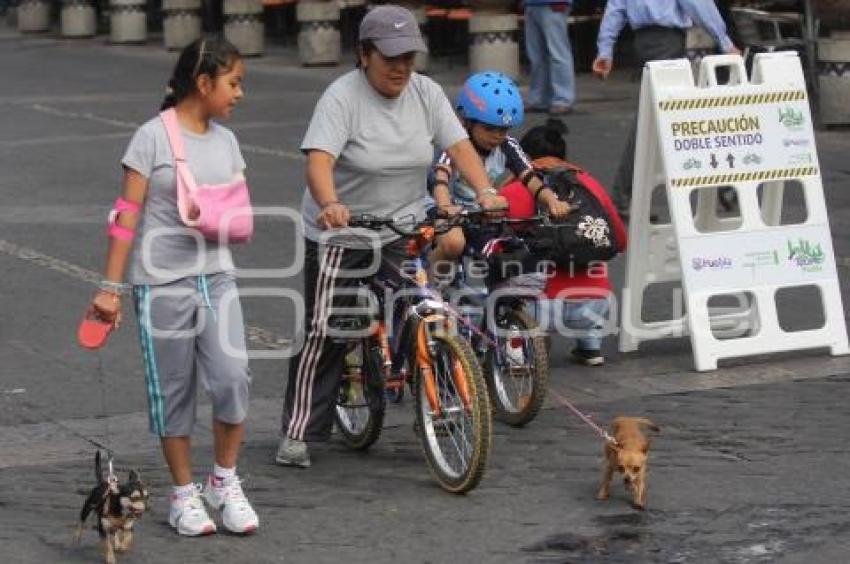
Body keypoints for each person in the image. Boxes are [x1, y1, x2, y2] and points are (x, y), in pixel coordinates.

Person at [275, 5, 504, 469]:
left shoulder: (426, 93)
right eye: (390, 57)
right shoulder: (342, 98)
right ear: (364, 54)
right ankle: (299, 431)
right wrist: (330, 204)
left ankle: (440, 398)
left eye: (409, 57)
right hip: (342, 230)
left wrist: (484, 190)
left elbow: (460, 146)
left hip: (402, 224)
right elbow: (318, 162)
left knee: (426, 307)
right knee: (328, 330)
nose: (401, 67)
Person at [87, 38, 259, 536]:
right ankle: (183, 494)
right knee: (174, 392)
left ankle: (223, 481)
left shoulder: (227, 141)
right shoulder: (150, 138)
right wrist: (109, 288)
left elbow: (237, 209)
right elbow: (125, 217)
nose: (239, 94)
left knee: (234, 378)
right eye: (233, 83)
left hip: (218, 277)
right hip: (160, 285)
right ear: (203, 83)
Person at [592, 0, 740, 217]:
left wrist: (605, 50)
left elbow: (615, 9)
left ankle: (722, 185)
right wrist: (725, 42)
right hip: (667, 41)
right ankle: (722, 184)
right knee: (677, 116)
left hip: (644, 41)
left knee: (666, 117)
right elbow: (698, 4)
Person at [428, 71, 570, 284]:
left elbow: (530, 177)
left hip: (482, 214)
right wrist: (445, 206)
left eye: (503, 129)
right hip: (446, 211)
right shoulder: (456, 145)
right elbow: (440, 179)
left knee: (512, 251)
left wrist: (552, 201)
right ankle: (429, 285)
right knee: (454, 244)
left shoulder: (508, 146)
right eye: (489, 128)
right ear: (466, 121)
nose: (497, 136)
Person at [507, 118, 627, 365]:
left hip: (538, 308)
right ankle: (590, 344)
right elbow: (621, 240)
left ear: (522, 157)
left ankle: (516, 351)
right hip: (596, 304)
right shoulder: (589, 184)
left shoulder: (514, 190)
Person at [523, 0, 577, 115]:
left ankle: (563, 99)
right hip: (532, 4)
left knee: (557, 53)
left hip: (553, 3)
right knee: (536, 56)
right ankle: (539, 98)